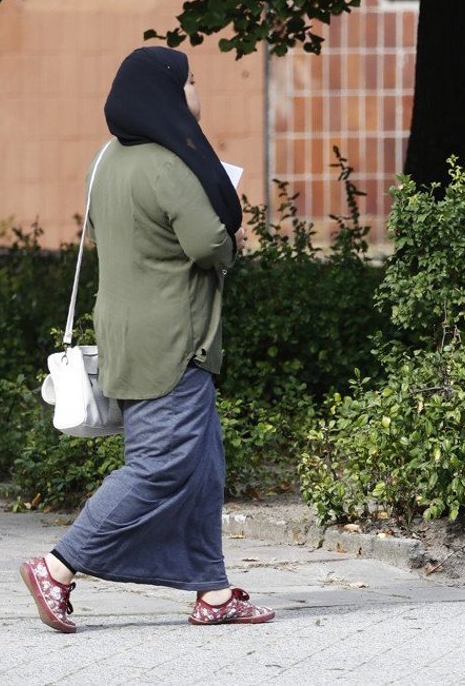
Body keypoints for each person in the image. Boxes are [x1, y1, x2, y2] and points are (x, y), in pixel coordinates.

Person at [20, 46, 275, 633]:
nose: (197, 91)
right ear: (168, 94)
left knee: (203, 467)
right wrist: (234, 246)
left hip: (127, 330)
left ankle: (213, 593)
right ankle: (57, 568)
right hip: (173, 338)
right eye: (191, 82)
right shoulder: (168, 165)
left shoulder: (106, 159)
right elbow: (209, 245)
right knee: (159, 466)